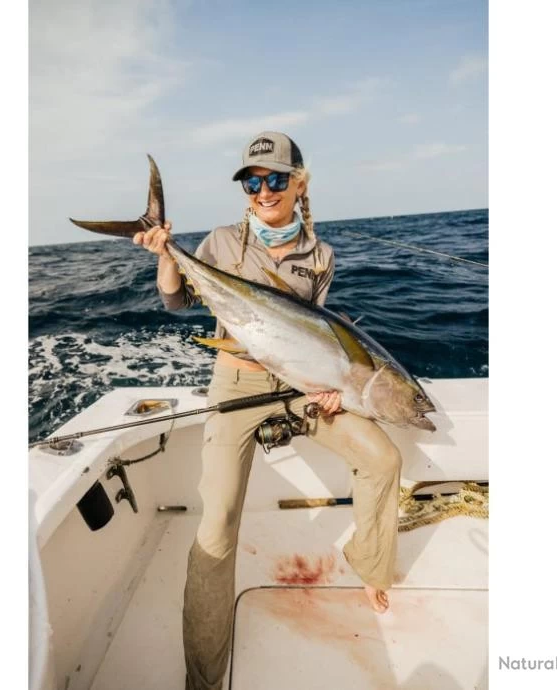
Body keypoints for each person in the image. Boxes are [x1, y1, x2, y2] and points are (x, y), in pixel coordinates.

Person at [134, 131, 402, 690]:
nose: (264, 190)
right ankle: (204, 677)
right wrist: (166, 256)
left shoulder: (320, 255)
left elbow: (319, 336)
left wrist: (332, 388)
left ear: (299, 183)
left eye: (276, 178)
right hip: (237, 385)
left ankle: (370, 562)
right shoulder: (221, 243)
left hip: (300, 386)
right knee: (217, 523)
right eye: (252, 182)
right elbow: (176, 299)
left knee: (382, 457)